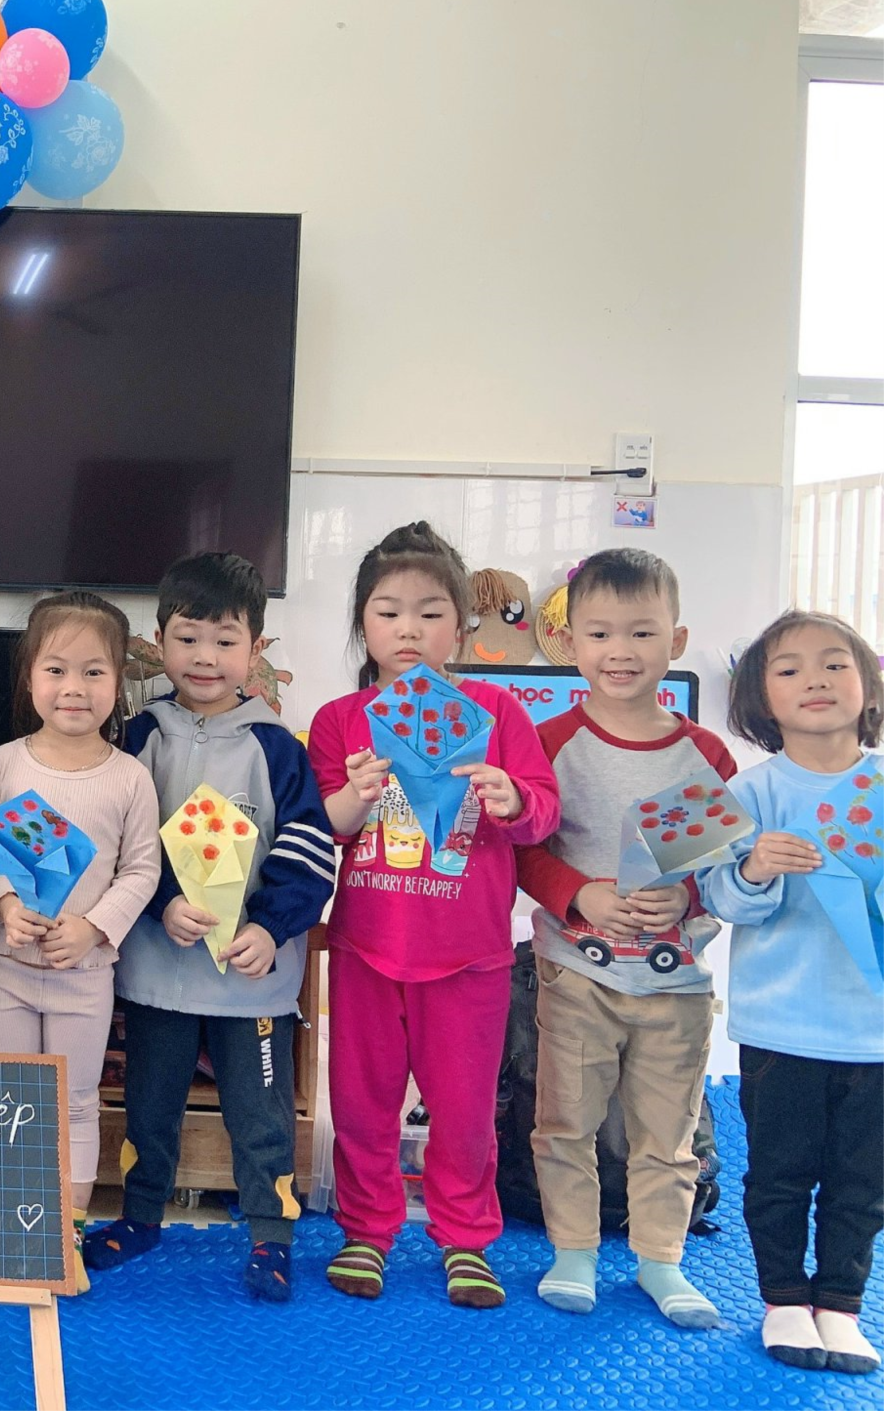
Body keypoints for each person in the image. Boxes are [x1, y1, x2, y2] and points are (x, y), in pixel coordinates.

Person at [306, 521, 559, 1308]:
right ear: (363, 625)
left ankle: (465, 1237)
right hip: (366, 947)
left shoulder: (496, 711)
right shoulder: (342, 718)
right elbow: (326, 826)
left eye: (429, 612)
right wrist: (357, 793)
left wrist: (510, 797)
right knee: (361, 1103)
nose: (408, 629)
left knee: (464, 1111)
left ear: (461, 624)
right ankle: (366, 1229)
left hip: (471, 954)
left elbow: (543, 813)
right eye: (388, 613)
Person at [80, 554, 334, 1302]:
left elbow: (310, 847)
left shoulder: (279, 749)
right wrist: (160, 902)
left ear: (256, 648)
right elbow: (119, 841)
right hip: (156, 973)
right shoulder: (139, 737)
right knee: (149, 1105)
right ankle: (140, 1216)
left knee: (260, 1116)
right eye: (188, 638)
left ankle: (271, 1235)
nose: (205, 657)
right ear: (159, 641)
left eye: (226, 641)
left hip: (252, 984)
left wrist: (271, 927)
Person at [514, 548, 731, 1328]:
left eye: (642, 633)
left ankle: (660, 1261)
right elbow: (525, 851)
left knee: (668, 1133)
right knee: (565, 1121)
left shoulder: (704, 753)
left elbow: (727, 868)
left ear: (676, 641)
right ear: (569, 642)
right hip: (577, 972)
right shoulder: (550, 742)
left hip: (677, 982)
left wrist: (687, 892)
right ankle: (573, 1251)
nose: (620, 651)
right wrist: (581, 895)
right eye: (600, 633)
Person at [699, 610, 884, 1374]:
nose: (816, 679)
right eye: (789, 668)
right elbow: (716, 900)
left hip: (875, 1032)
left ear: (868, 684)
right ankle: (782, 1300)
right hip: (781, 1024)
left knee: (863, 1181)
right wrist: (752, 869)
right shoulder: (745, 793)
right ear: (759, 699)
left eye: (836, 663)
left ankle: (841, 1306)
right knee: (779, 1173)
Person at [0, 591, 162, 1294]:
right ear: (29, 678)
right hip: (3, 966)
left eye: (93, 672)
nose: (73, 688)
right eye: (56, 670)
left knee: (76, 1102)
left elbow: (142, 869)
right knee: (6, 1097)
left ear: (119, 682)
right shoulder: (1, 764)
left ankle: (65, 1235)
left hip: (85, 973)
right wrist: (3, 904)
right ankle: (6, 1230)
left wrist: (94, 927)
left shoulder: (130, 777)